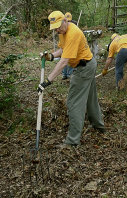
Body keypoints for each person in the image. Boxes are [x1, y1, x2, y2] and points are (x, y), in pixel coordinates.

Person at [37, 10, 105, 147]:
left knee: (74, 103)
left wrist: (47, 81)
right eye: (54, 28)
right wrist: (51, 56)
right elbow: (62, 50)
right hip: (89, 64)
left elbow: (63, 62)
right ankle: (98, 125)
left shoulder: (73, 33)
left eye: (58, 27)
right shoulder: (63, 32)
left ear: (65, 21)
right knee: (91, 98)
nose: (57, 31)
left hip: (83, 68)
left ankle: (72, 141)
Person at [61, 12, 75, 80]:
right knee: (63, 60)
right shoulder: (61, 30)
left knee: (70, 60)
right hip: (64, 47)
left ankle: (69, 74)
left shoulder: (73, 28)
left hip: (70, 46)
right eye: (67, 21)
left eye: (69, 21)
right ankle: (64, 74)